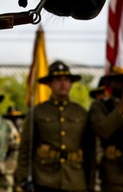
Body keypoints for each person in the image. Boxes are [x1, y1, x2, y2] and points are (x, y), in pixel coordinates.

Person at [16, 61, 94, 192]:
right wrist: (23, 179)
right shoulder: (38, 112)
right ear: (49, 84)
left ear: (71, 83)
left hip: (75, 180)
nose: (63, 83)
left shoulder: (81, 113)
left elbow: (89, 151)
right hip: (44, 179)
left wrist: (90, 184)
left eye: (66, 79)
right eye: (58, 79)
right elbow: (25, 149)